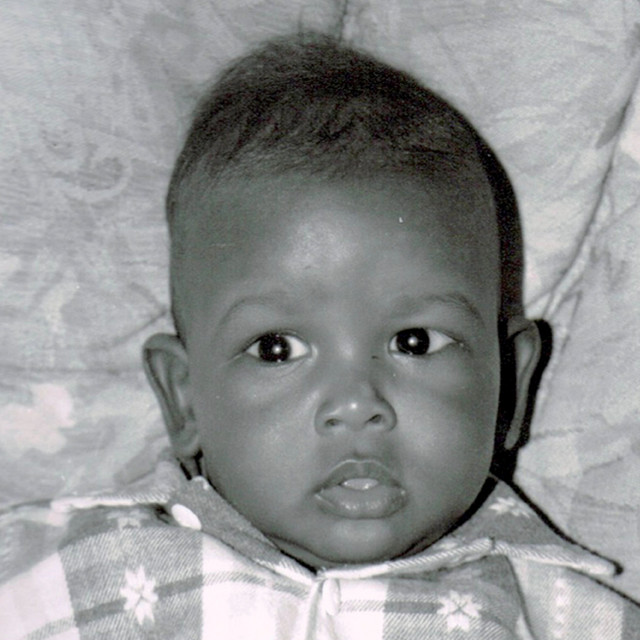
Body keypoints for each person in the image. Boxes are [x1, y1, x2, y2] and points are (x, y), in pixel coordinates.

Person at [2, 33, 639, 639]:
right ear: (184, 398)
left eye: (414, 342)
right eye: (276, 349)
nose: (357, 402)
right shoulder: (67, 575)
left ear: (510, 389)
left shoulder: (566, 618)